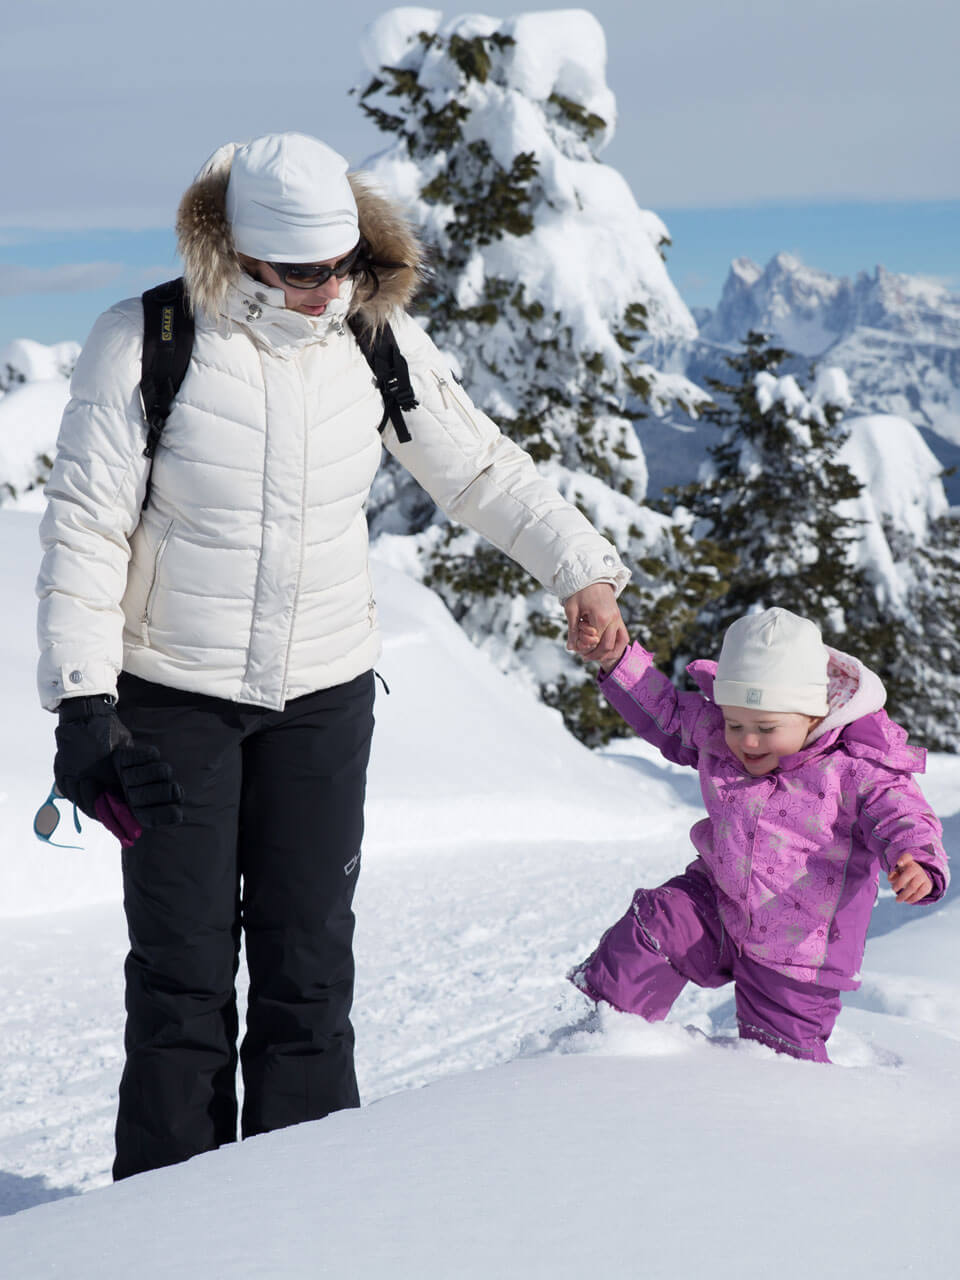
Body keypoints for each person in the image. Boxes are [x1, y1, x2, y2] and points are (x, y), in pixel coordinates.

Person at [36, 131, 631, 1179]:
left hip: (322, 698)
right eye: (303, 272)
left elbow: (478, 467)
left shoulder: (373, 335)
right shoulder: (146, 338)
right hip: (171, 698)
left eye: (343, 265)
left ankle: (304, 1211)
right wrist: (84, 703)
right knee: (180, 983)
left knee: (308, 969)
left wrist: (578, 569)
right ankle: (165, 1229)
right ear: (242, 252)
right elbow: (85, 529)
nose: (327, 289)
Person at [569, 607, 949, 1062]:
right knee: (658, 921)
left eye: (766, 729)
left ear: (813, 715)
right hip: (717, 904)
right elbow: (667, 714)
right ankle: (605, 1039)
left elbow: (902, 813)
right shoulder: (717, 733)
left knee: (780, 1062)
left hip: (799, 952)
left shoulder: (856, 767)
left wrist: (916, 858)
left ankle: (779, 1116)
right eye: (736, 724)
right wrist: (618, 662)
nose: (747, 742)